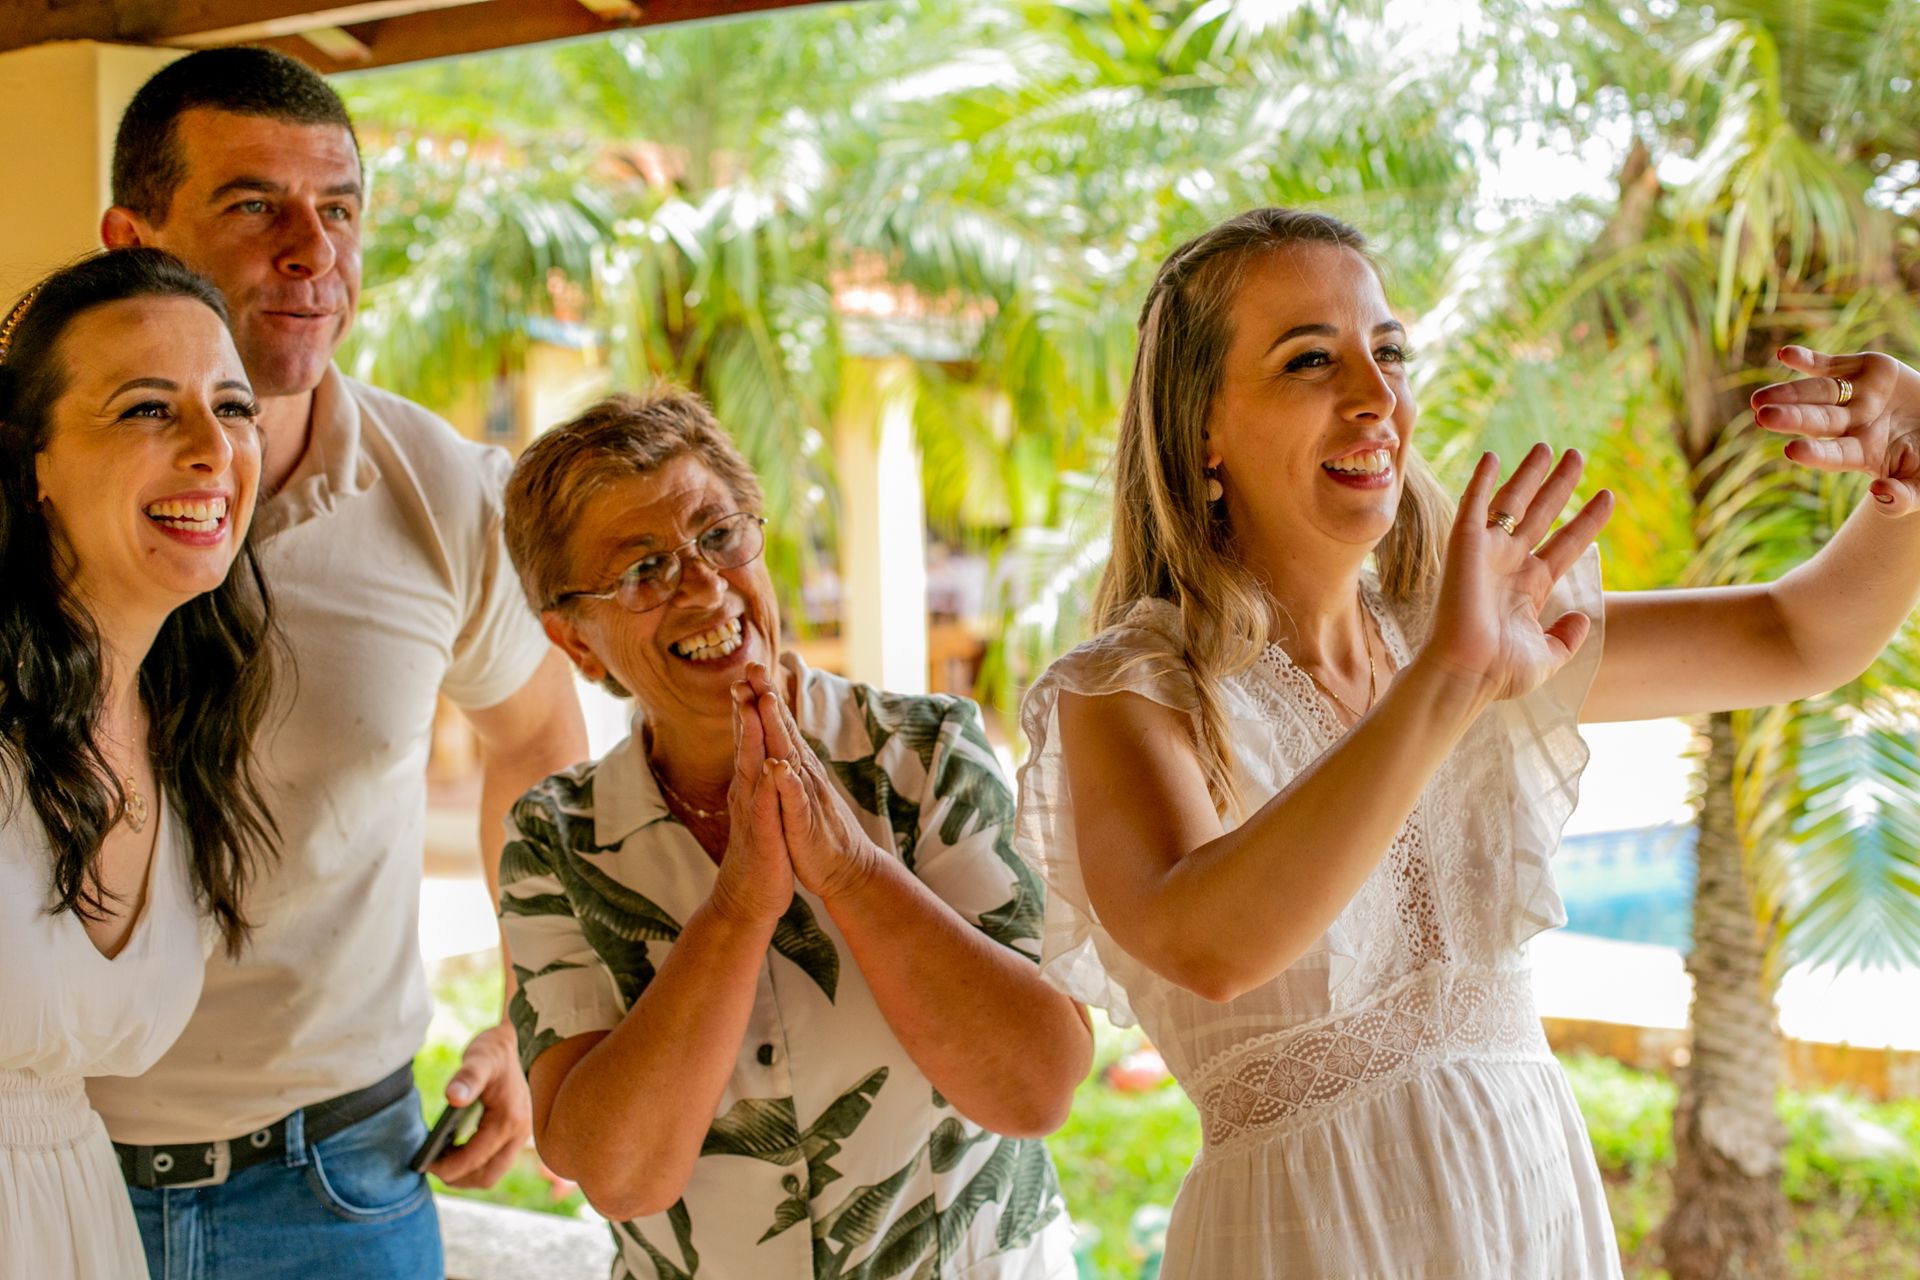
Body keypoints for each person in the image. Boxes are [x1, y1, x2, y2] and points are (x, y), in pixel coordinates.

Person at [1013, 207, 1920, 1278]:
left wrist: (1914, 461)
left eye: (1388, 351)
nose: (1375, 395)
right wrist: (1449, 682)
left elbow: (1793, 635)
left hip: (1532, 1208)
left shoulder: (1468, 631)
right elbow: (1213, 945)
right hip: (1307, 1238)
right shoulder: (1130, 689)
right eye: (1311, 359)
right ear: (1201, 426)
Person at [86, 47, 588, 1278]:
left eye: (342, 208)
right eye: (255, 205)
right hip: (43, 1158)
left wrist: (533, 1012)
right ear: (132, 239)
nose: (314, 252)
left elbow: (534, 737)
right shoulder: (25, 487)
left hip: (342, 1181)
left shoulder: (441, 491)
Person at [496, 389, 1090, 1279]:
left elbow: (1036, 1087)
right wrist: (737, 907)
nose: (703, 585)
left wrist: (851, 870)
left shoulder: (925, 755)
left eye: (720, 535)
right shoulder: (556, 839)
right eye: (643, 570)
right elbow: (620, 1176)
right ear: (576, 644)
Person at [0, 249, 276, 1278]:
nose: (213, 449)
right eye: (148, 409)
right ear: (32, 459)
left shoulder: (186, 726)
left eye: (233, 405)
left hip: (78, 1225)